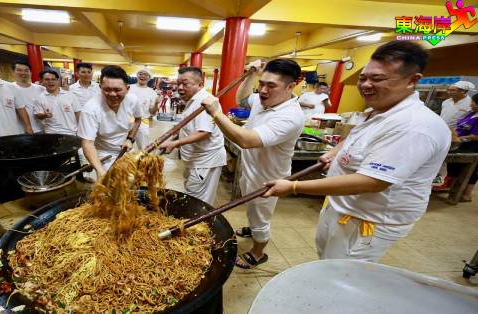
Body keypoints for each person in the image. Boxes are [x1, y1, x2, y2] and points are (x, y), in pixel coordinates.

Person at [261, 41, 450, 262]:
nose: (366, 85)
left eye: (377, 79)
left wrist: (293, 186)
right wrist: (336, 152)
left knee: (342, 273)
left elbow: (373, 181)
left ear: (412, 80)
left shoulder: (414, 125)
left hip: (367, 220)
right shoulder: (379, 109)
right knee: (326, 261)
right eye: (363, 78)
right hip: (342, 207)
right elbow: (359, 135)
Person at [200, 59, 305, 268]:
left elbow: (246, 141)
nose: (263, 90)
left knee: (260, 216)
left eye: (271, 85)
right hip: (251, 169)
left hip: (267, 178)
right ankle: (252, 227)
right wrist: (249, 75)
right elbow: (243, 99)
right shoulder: (264, 99)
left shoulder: (290, 116)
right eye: (262, 83)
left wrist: (215, 113)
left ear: (291, 86)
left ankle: (258, 252)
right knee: (251, 208)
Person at [158, 67, 227, 205]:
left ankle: (200, 225)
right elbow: (190, 128)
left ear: (200, 84)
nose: (180, 87)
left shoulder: (204, 102)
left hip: (204, 161)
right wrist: (173, 138)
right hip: (195, 159)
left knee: (199, 201)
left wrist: (175, 144)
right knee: (193, 193)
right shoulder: (193, 100)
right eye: (178, 83)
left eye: (185, 83)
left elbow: (204, 132)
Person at [77, 65, 143, 178]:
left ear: (127, 89)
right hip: (103, 152)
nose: (112, 94)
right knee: (108, 186)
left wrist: (130, 139)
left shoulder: (133, 100)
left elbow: (138, 119)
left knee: (131, 181)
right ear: (100, 87)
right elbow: (87, 143)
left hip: (125, 149)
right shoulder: (91, 108)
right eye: (107, 89)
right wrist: (100, 170)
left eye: (117, 90)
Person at [444, 93, 478, 203]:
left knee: (467, 172)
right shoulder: (470, 113)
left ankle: (463, 195)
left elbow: (475, 136)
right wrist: (453, 132)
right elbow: (458, 125)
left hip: (472, 148)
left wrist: (460, 137)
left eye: (473, 102)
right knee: (455, 169)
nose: (471, 104)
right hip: (459, 145)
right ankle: (451, 188)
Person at [34, 70, 81, 136]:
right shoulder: (40, 98)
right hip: (51, 133)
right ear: (42, 82)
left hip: (71, 132)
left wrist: (80, 130)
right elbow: (37, 115)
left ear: (58, 81)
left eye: (53, 79)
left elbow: (78, 113)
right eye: (47, 79)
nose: (50, 82)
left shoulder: (70, 95)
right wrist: (44, 115)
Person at [9, 60, 47, 133]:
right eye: (19, 70)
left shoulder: (41, 89)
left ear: (31, 72)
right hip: (18, 131)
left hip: (40, 129)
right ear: (13, 72)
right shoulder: (8, 88)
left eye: (26, 70)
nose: (23, 73)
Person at [127, 67, 160, 149]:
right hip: (126, 121)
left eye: (146, 74)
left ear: (149, 78)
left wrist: (156, 104)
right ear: (137, 76)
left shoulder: (152, 92)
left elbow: (152, 112)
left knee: (143, 148)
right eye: (140, 74)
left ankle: (142, 161)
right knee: (124, 146)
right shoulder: (128, 88)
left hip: (142, 122)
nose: (143, 76)